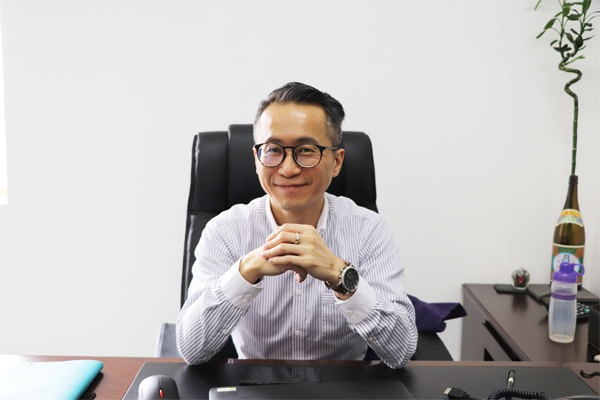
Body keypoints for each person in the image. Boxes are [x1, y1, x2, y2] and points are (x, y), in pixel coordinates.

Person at [176, 82, 417, 368]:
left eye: (306, 150)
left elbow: (401, 352)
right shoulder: (225, 231)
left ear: (337, 161)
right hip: (254, 385)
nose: (288, 169)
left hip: (344, 384)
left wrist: (340, 274)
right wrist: (247, 270)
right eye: (273, 150)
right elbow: (192, 350)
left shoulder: (369, 230)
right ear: (257, 160)